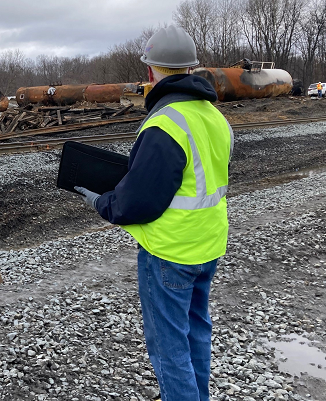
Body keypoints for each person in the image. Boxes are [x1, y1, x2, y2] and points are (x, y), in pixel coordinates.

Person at [75, 25, 233, 401]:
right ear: (192, 68)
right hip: (208, 245)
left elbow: (139, 201)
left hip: (169, 252)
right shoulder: (215, 118)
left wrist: (101, 202)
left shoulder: (165, 123)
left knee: (168, 348)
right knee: (196, 331)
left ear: (151, 72)